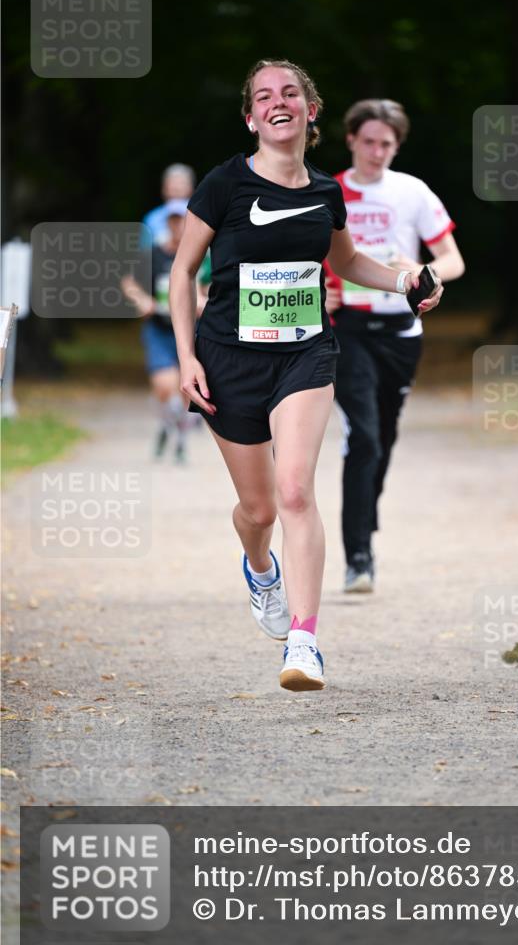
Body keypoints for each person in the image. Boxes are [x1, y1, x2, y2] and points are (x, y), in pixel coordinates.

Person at [169, 60, 442, 692]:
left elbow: (347, 262)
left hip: (306, 354)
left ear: (310, 110)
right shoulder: (224, 184)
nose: (278, 102)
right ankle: (259, 569)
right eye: (264, 96)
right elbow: (183, 273)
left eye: (290, 92)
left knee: (295, 492)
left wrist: (404, 278)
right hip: (227, 359)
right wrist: (186, 358)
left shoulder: (325, 191)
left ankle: (304, 642)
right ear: (251, 117)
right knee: (259, 508)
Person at [325, 99, 464, 593]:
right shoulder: (328, 192)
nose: (377, 151)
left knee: (383, 436)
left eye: (386, 143)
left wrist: (424, 272)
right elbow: (303, 257)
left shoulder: (412, 192)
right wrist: (318, 288)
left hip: (401, 331)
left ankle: (365, 514)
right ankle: (358, 556)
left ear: (397, 146)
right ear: (351, 140)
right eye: (368, 142)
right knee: (362, 436)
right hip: (346, 328)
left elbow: (452, 260)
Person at [121, 199, 208, 463]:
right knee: (163, 386)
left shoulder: (201, 255)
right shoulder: (154, 254)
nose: (177, 226)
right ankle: (166, 424)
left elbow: (210, 288)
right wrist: (142, 301)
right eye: (173, 220)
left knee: (185, 391)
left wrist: (202, 302)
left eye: (182, 220)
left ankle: (179, 440)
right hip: (159, 330)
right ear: (167, 223)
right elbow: (128, 281)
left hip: (189, 330)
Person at [142, 164, 196, 246]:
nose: (177, 188)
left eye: (182, 183)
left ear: (191, 189)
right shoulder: (152, 218)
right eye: (173, 183)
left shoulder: (201, 216)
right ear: (163, 189)